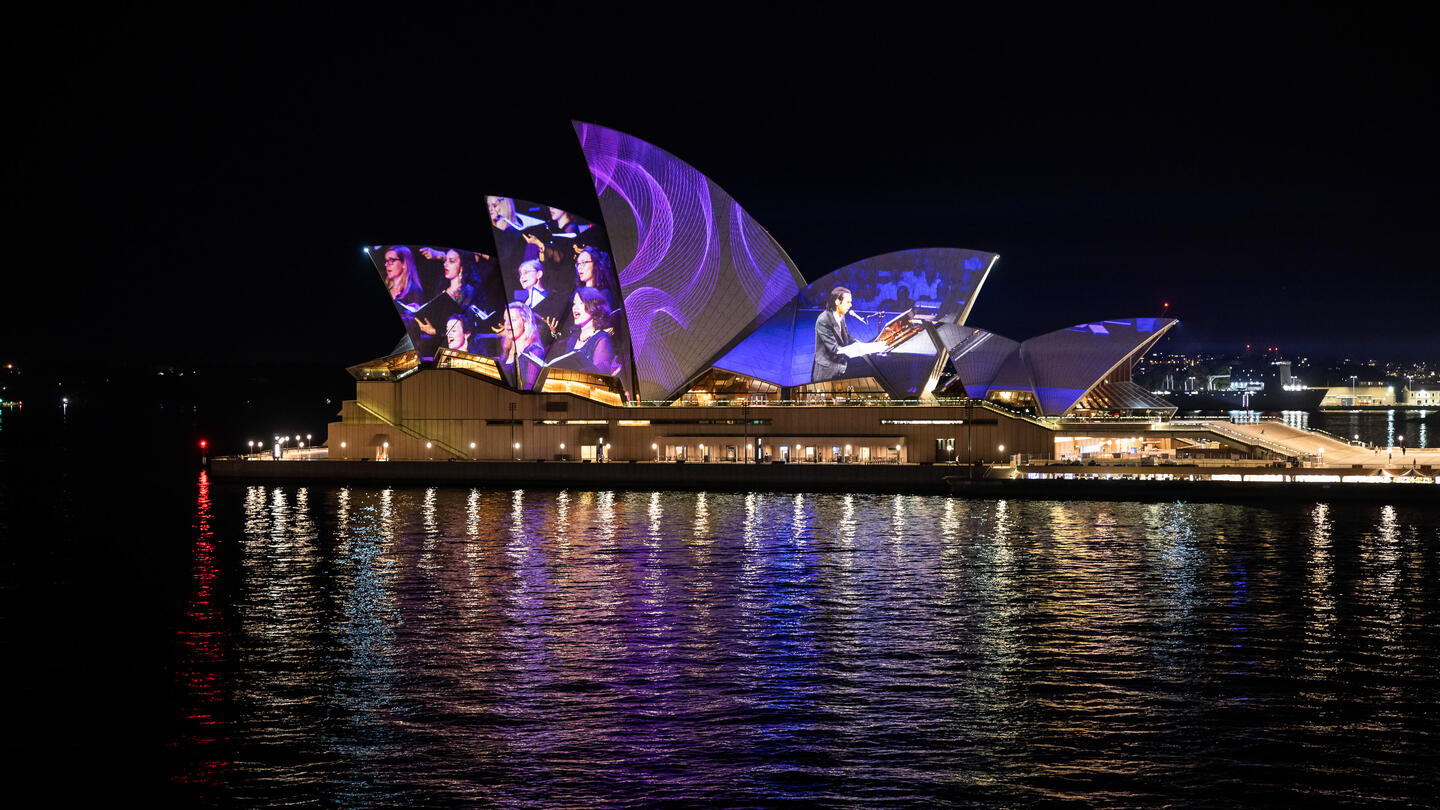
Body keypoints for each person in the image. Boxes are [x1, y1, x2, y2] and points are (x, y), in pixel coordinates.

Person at [553, 287, 621, 376]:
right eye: (574, 303)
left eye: (581, 303)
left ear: (593, 306)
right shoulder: (573, 338)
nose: (575, 308)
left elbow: (599, 377)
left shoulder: (602, 339)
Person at [813, 286, 858, 382]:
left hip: (838, 363)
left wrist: (859, 344)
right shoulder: (823, 320)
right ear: (837, 302)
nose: (850, 305)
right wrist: (857, 351)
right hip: (826, 369)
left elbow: (847, 337)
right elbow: (834, 348)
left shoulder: (841, 316)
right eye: (848, 302)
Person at [498, 302, 547, 388]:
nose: (507, 324)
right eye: (505, 320)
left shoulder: (534, 351)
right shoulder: (507, 350)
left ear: (525, 323)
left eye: (513, 320)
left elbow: (530, 387)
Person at [381, 246, 424, 310]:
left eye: (392, 260)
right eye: (386, 261)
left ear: (404, 263)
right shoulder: (387, 286)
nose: (386, 264)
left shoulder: (414, 290)